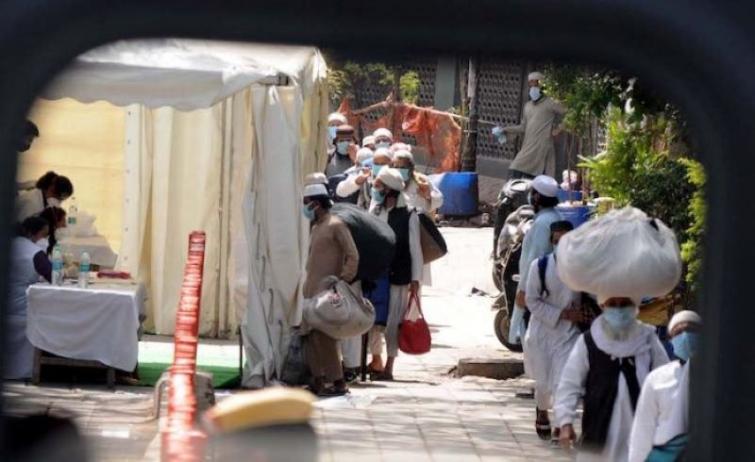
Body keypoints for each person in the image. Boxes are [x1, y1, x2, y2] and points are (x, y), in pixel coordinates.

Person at [554, 296, 670, 461]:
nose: (619, 310)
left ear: (634, 305)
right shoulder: (589, 341)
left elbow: (666, 381)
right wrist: (565, 422)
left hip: (641, 437)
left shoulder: (648, 339)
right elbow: (569, 384)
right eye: (613, 304)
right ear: (603, 305)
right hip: (597, 437)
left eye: (624, 304)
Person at [524, 220, 583, 442]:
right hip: (542, 333)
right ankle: (542, 410)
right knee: (542, 383)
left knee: (563, 381)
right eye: (557, 241)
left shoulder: (582, 269)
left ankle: (561, 425)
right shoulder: (539, 267)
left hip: (569, 335)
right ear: (552, 242)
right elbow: (531, 300)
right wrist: (561, 314)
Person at [301, 183, 359, 396]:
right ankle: (318, 380)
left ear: (316, 204)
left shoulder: (336, 225)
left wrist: (342, 280)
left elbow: (352, 255)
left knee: (325, 337)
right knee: (310, 336)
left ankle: (338, 382)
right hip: (311, 291)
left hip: (327, 291)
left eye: (306, 203)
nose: (304, 207)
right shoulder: (316, 227)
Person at [368, 167, 423, 381]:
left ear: (390, 189)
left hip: (398, 276)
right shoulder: (375, 210)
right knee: (374, 321)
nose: (375, 188)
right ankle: (376, 359)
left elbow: (415, 249)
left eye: (379, 185)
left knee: (393, 322)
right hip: (376, 276)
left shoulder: (409, 215)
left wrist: (415, 279)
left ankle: (389, 365)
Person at [628, 310, 701, 462]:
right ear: (670, 340)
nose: (685, 336)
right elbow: (643, 429)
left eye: (691, 330)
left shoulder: (715, 376)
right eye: (678, 332)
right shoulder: (657, 379)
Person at [510, 175, 562, 345]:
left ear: (537, 197)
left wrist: (523, 289)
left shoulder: (542, 223)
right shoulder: (555, 216)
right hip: (550, 285)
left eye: (532, 192)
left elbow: (534, 259)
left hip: (538, 288)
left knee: (532, 336)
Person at [5, 216, 52, 380]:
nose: (44, 239)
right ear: (33, 233)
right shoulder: (35, 253)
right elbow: (54, 276)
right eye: (43, 235)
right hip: (20, 310)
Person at [497, 71, 566, 179]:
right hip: (528, 146)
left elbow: (570, 114)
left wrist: (559, 129)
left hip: (543, 146)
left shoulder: (551, 102)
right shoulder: (527, 106)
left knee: (540, 178)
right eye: (531, 84)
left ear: (541, 85)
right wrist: (506, 129)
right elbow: (523, 127)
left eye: (535, 83)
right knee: (515, 169)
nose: (533, 87)